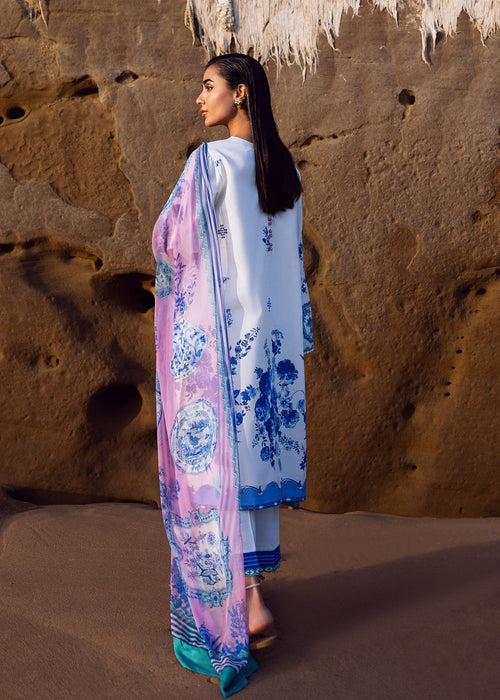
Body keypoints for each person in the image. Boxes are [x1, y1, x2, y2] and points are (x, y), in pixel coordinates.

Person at [152, 53, 313, 697]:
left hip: (221, 348)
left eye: (208, 86)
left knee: (219, 470)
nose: (200, 99)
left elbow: (170, 240)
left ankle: (245, 602)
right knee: (249, 469)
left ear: (240, 93)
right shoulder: (286, 171)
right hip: (270, 353)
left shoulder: (210, 164)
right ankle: (253, 592)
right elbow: (294, 262)